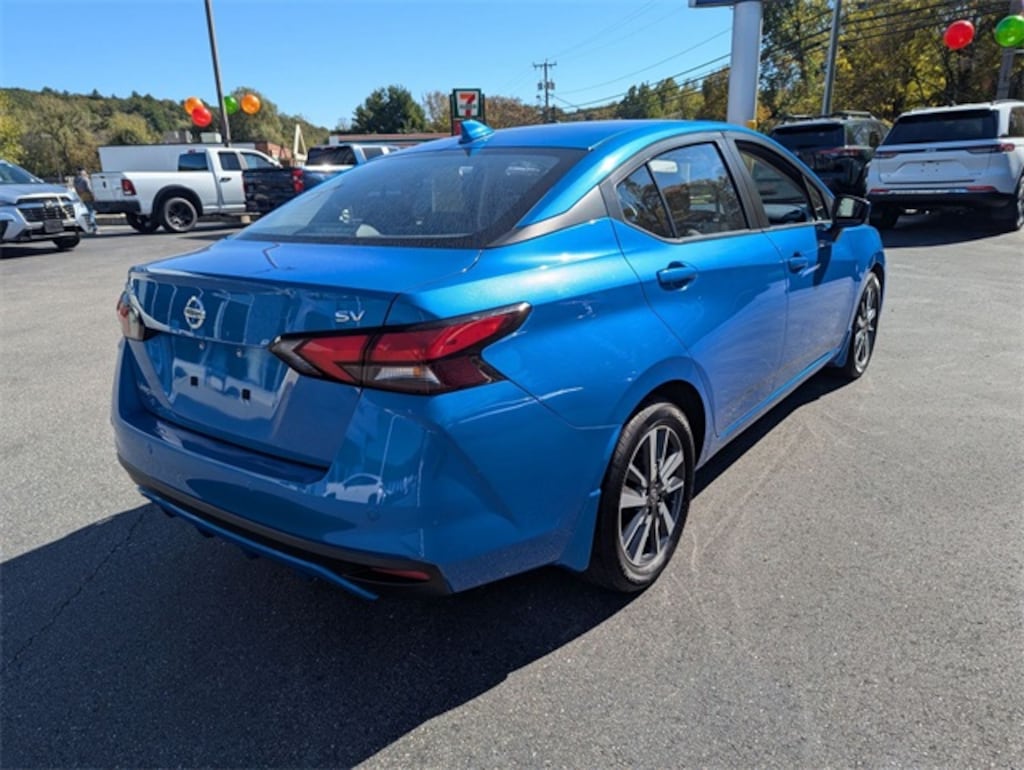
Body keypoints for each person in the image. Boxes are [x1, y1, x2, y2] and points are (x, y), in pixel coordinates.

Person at [73, 168, 98, 234]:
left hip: (82, 196)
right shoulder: (85, 179)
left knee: (87, 210)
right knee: (91, 211)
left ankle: (91, 227)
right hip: (88, 195)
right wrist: (93, 195)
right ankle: (92, 223)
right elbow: (89, 188)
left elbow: (76, 189)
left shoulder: (76, 180)